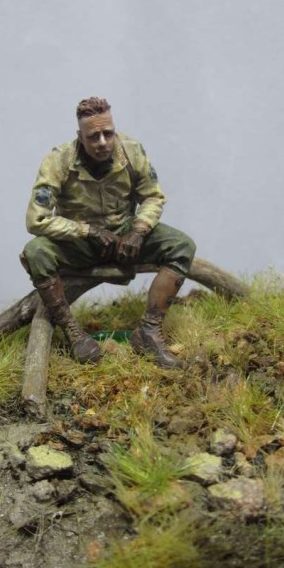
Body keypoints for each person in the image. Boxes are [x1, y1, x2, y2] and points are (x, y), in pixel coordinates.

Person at [21, 97, 196, 368]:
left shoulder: (132, 151)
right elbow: (37, 219)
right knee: (36, 252)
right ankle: (73, 333)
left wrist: (138, 230)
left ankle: (148, 331)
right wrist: (87, 231)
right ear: (80, 136)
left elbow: (153, 196)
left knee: (181, 245)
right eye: (93, 136)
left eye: (108, 133)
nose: (102, 142)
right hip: (78, 242)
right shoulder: (58, 161)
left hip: (125, 236)